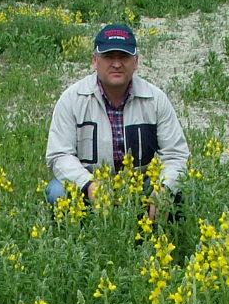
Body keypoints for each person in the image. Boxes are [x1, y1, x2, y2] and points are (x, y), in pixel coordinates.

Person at [45, 23, 190, 219]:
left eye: (123, 57)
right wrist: (88, 184)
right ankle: (82, 238)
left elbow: (176, 155)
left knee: (180, 190)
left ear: (136, 62)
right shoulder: (72, 99)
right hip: (92, 185)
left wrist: (163, 188)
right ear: (95, 60)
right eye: (108, 57)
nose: (116, 63)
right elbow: (59, 155)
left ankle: (155, 234)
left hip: (139, 185)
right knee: (57, 191)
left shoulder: (155, 99)